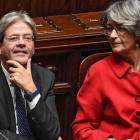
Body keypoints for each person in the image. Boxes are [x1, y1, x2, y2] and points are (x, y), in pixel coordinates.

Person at [72, 0, 140, 140]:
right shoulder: (99, 71)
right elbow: (81, 129)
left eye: (120, 28)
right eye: (109, 28)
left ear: (137, 30)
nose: (112, 35)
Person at [0, 11, 60, 140]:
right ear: (0, 47)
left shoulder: (45, 78)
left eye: (27, 38)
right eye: (14, 38)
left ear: (33, 48)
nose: (21, 43)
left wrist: (32, 91)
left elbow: (52, 134)